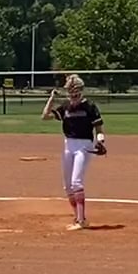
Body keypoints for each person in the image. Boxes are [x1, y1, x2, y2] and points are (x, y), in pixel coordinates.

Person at [42, 75, 103, 230]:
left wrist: (100, 141)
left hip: (84, 145)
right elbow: (45, 116)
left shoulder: (89, 106)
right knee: (68, 186)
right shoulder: (66, 107)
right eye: (71, 92)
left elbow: (99, 129)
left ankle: (81, 221)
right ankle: (78, 217)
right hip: (68, 145)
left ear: (81, 91)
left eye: (76, 92)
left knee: (76, 182)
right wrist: (52, 98)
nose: (73, 95)